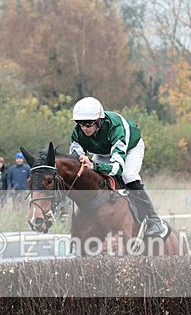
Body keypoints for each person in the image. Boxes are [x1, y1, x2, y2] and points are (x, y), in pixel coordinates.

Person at [69, 96, 164, 237]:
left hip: (130, 148)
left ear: (99, 121)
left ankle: (153, 219)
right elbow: (76, 163)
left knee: (128, 176)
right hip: (102, 152)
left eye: (88, 124)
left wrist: (93, 165)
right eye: (80, 123)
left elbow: (117, 168)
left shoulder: (116, 127)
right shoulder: (77, 132)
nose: (84, 128)